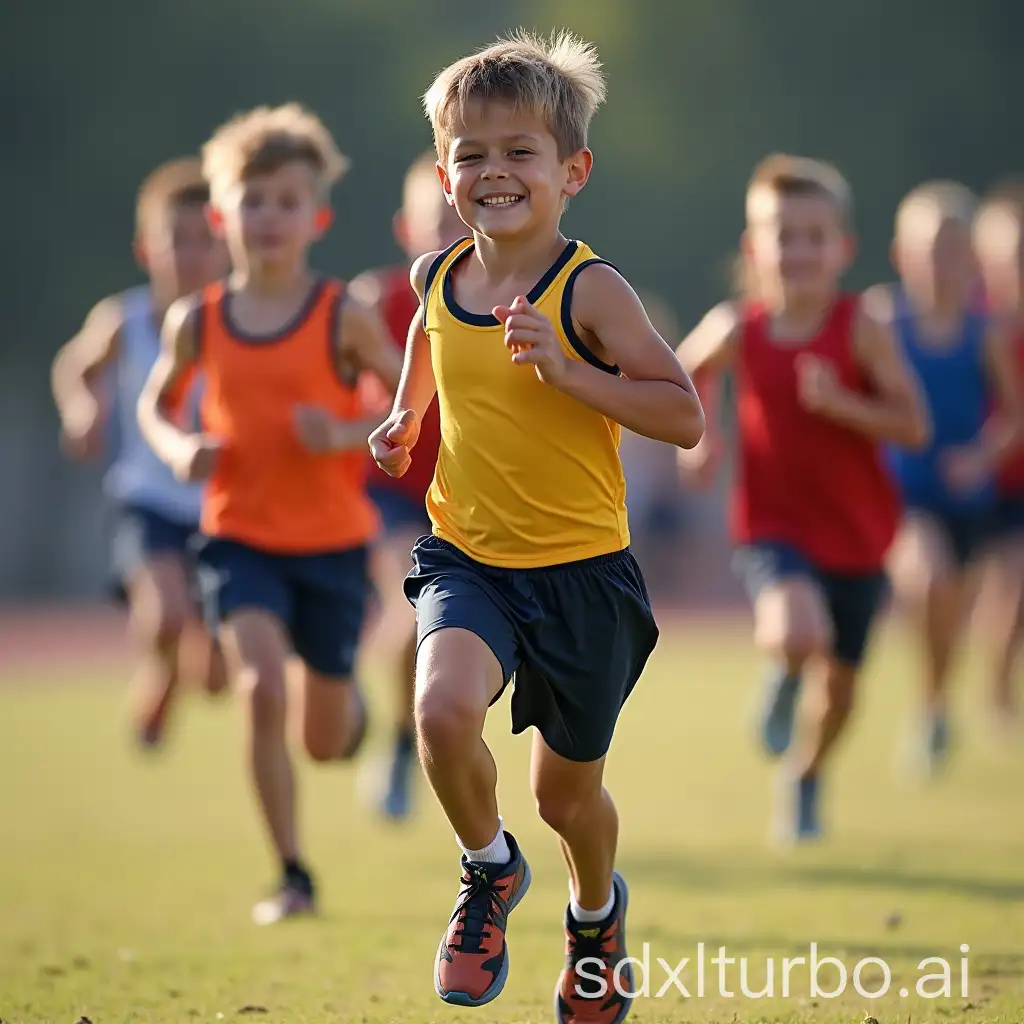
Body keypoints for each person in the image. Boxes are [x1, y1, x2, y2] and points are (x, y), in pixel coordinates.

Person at [369, 29, 704, 1023]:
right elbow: (425, 370)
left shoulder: (586, 289)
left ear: (572, 171)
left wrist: (571, 374)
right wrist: (402, 423)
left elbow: (682, 413)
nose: (493, 172)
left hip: (583, 577)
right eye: (470, 154)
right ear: (443, 172)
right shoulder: (436, 279)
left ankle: (594, 917)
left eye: (519, 152)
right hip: (467, 556)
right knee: (437, 713)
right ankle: (487, 868)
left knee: (566, 799)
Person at [137, 103, 403, 924]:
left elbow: (410, 405)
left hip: (330, 548)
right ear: (222, 218)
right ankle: (292, 873)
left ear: (316, 217)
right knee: (258, 689)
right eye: (253, 202)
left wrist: (348, 430)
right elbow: (156, 406)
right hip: (238, 536)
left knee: (323, 738)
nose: (270, 218)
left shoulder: (341, 316)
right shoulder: (199, 321)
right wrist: (178, 449)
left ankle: (349, 701)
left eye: (288, 202)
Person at [676, 154, 929, 842]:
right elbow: (680, 373)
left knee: (842, 694)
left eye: (815, 236)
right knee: (796, 629)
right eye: (783, 235)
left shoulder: (861, 327)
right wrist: (694, 443)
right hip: (773, 525)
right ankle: (781, 676)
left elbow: (913, 423)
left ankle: (807, 774)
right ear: (756, 248)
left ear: (842, 248)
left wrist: (843, 403)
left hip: (857, 534)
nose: (799, 250)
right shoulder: (738, 326)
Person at [51, 157, 229, 747]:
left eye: (206, 241)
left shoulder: (238, 322)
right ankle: (161, 669)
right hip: (147, 495)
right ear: (145, 249)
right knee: (166, 613)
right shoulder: (122, 320)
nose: (191, 255)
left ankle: (197, 656)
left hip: (221, 504)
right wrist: (83, 407)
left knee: (221, 679)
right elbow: (75, 366)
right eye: (176, 241)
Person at [871, 181, 1022, 775]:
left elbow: (1013, 415)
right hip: (902, 496)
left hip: (966, 500)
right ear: (901, 256)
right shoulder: (884, 319)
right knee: (927, 577)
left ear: (972, 261)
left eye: (953, 252)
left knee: (950, 615)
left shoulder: (984, 335)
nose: (940, 265)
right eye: (928, 251)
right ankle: (932, 709)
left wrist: (981, 458)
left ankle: (933, 705)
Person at [349, 150, 467, 821]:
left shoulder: (505, 306)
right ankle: (396, 743)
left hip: (472, 498)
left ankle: (401, 737)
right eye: (437, 220)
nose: (451, 234)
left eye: (462, 220)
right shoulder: (377, 300)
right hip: (391, 495)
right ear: (406, 230)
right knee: (408, 612)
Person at [973, 182, 1024, 729]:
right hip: (963, 479)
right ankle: (935, 697)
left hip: (1015, 481)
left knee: (1016, 576)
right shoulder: (969, 324)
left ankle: (998, 690)